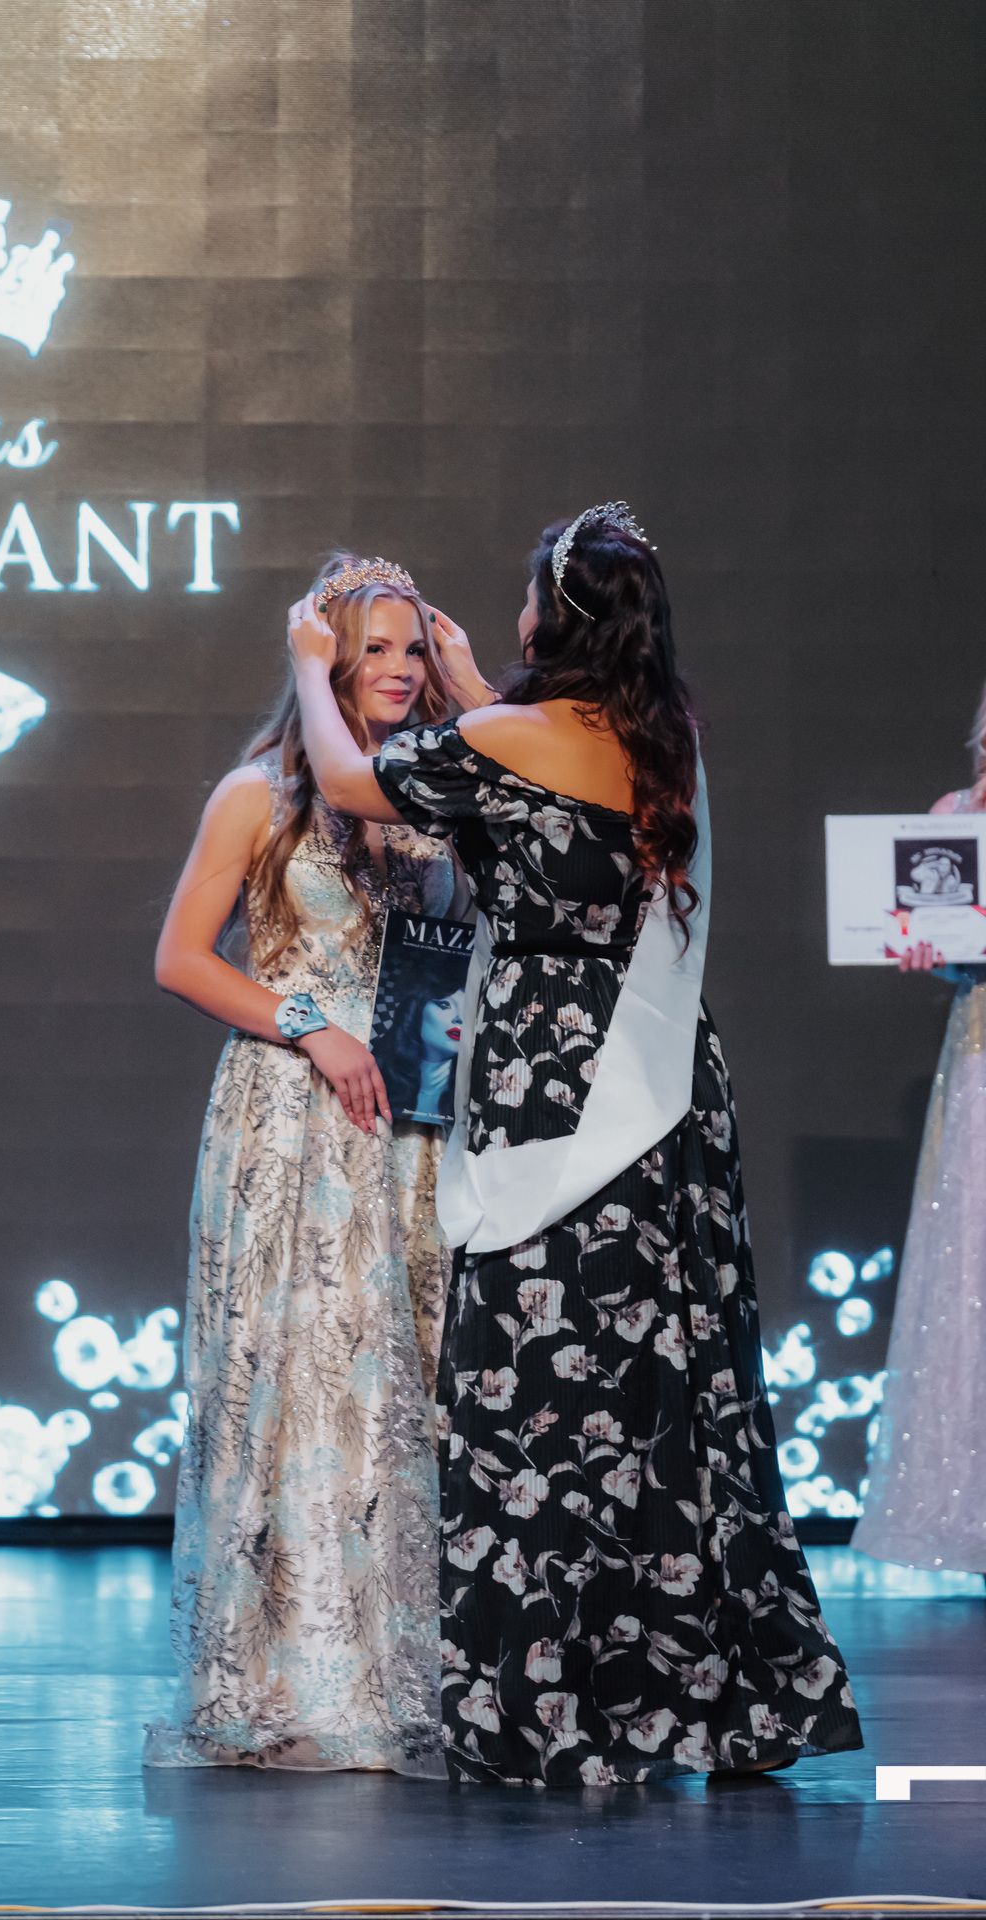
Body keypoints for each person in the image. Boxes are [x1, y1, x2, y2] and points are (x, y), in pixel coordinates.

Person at [288, 505, 864, 1787]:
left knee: (538, 1389)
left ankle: (551, 1700)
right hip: (665, 1093)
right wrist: (477, 686)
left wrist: (306, 668)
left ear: (553, 618)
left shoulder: (508, 738)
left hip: (549, 1083)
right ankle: (700, 1694)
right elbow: (540, 785)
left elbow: (348, 780)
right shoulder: (661, 743)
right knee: (667, 1380)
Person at [147, 552, 490, 1776]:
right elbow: (182, 958)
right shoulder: (259, 795)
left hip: (419, 1124)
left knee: (415, 1384)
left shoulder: (442, 796)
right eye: (370, 650)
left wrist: (470, 677)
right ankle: (298, 1675)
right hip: (298, 1114)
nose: (395, 670)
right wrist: (308, 1023)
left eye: (411, 649)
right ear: (323, 662)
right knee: (303, 1380)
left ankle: (418, 1668)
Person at [853, 680, 986, 1574]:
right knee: (971, 1255)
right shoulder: (956, 818)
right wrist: (926, 950)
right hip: (980, 1049)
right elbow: (945, 946)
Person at [386, 988, 465, 1125]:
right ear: (416, 1010)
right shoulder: (383, 1080)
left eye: (467, 1010)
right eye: (445, 1005)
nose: (460, 1018)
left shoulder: (468, 1100)